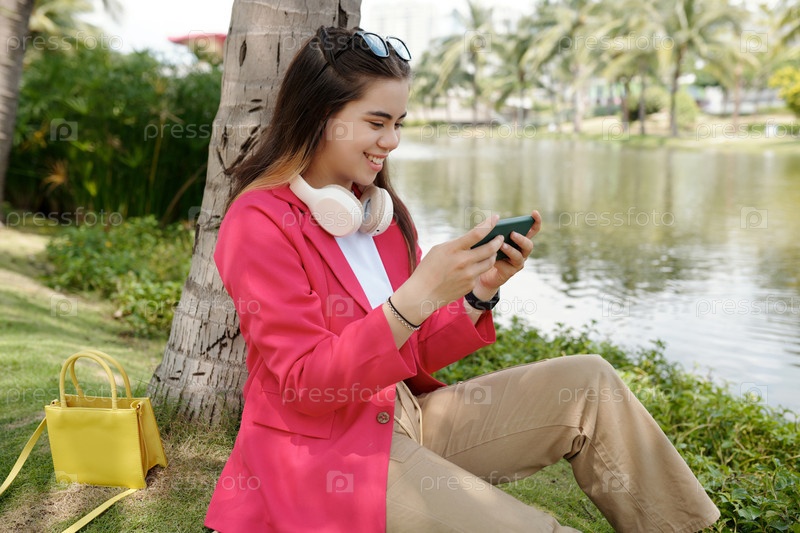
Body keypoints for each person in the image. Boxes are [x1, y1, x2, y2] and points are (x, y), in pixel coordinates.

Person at [204, 26, 720, 533]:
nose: (392, 141)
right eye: (377, 122)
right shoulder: (260, 223)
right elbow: (305, 384)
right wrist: (415, 298)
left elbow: (409, 353)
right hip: (325, 458)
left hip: (403, 417)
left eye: (399, 123)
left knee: (589, 382)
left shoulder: (380, 216)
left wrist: (478, 291)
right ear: (319, 117)